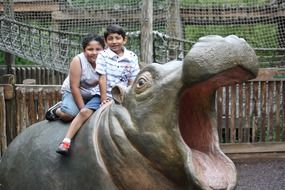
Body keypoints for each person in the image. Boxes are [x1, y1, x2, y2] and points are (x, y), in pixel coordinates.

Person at [44, 33, 105, 155]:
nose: (94, 52)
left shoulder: (106, 60)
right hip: (74, 91)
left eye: (98, 49)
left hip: (93, 93)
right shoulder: (78, 61)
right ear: (84, 50)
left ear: (104, 49)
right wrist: (83, 109)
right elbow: (74, 87)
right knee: (70, 115)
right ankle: (56, 109)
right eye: (90, 49)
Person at [96, 24, 140, 105]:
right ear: (105, 41)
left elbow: (132, 80)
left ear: (124, 40)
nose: (114, 42)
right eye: (110, 39)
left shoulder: (132, 57)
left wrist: (129, 98)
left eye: (118, 38)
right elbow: (102, 78)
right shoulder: (103, 55)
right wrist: (103, 99)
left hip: (123, 96)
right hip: (102, 95)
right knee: (85, 112)